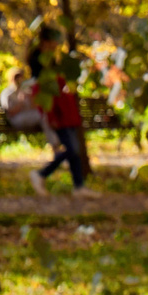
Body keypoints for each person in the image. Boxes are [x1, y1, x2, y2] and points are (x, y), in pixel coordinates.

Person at [29, 31, 90, 193]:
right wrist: (51, 115)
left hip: (66, 110)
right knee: (72, 149)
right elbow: (45, 93)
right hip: (58, 112)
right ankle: (41, 173)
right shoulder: (41, 67)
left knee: (74, 151)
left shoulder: (56, 61)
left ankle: (79, 186)